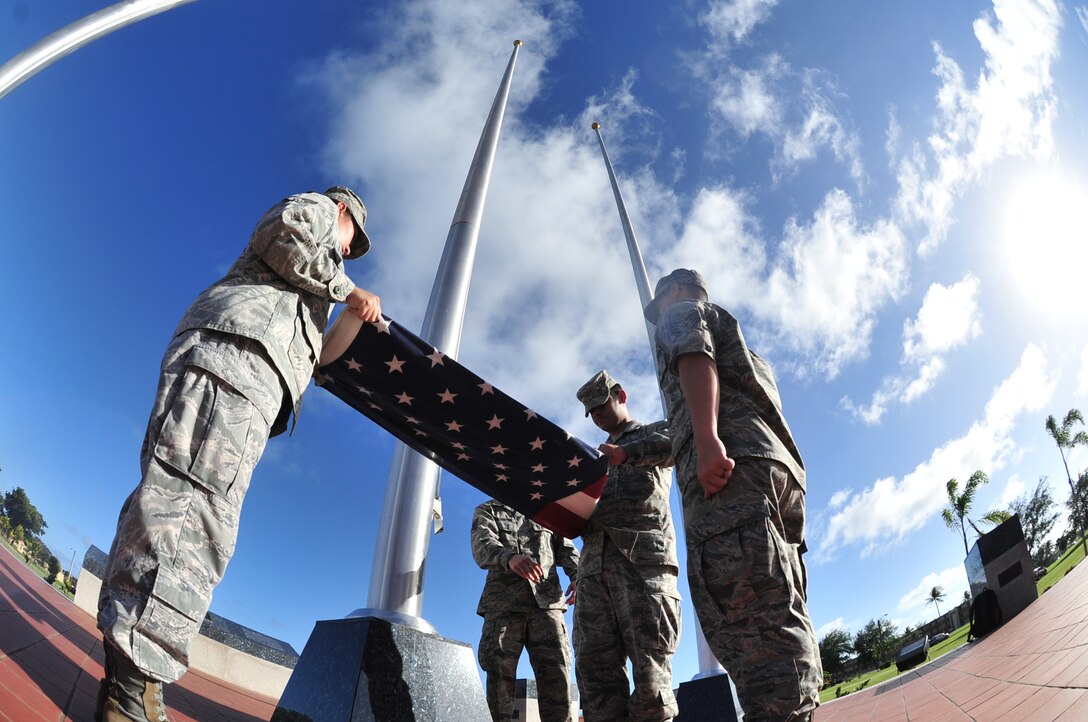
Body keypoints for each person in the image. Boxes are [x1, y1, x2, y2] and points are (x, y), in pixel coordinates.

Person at [95, 187, 382, 722]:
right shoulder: (318, 210)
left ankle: (140, 672)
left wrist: (352, 313)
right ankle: (131, 684)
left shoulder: (314, 288)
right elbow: (285, 236)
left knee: (200, 520)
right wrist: (349, 288)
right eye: (353, 239)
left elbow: (319, 361)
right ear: (343, 213)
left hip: (252, 380)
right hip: (233, 360)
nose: (348, 250)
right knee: (187, 513)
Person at [602, 269, 821, 721]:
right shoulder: (748, 353)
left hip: (727, 480)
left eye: (659, 303)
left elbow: (693, 356)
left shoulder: (681, 314)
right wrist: (632, 454)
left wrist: (707, 440)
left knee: (748, 621)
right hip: (771, 478)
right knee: (779, 606)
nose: (657, 316)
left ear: (676, 291)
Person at [574, 370, 681, 721]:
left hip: (643, 566)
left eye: (601, 405)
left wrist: (627, 453)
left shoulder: (653, 432)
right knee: (595, 679)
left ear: (621, 394)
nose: (598, 415)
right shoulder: (589, 461)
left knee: (652, 679)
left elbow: (679, 443)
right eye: (592, 412)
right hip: (592, 573)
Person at [471, 499, 580, 722]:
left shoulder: (547, 510)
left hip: (547, 605)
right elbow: (482, 545)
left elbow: (567, 548)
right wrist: (509, 557)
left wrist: (579, 576)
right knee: (499, 675)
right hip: (503, 606)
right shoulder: (488, 509)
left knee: (557, 676)